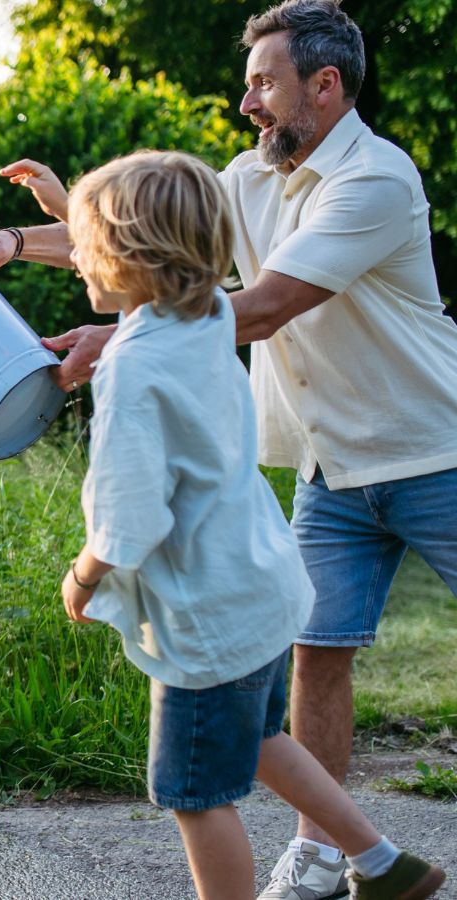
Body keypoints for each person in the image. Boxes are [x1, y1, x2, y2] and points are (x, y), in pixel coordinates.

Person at [0, 3, 457, 896]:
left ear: (326, 85)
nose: (246, 102)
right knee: (317, 655)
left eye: (264, 82)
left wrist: (119, 341)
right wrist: (18, 241)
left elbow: (258, 304)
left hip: (430, 451)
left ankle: (364, 858)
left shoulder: (374, 180)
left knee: (201, 781)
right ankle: (332, 852)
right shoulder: (249, 180)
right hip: (325, 465)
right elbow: (151, 238)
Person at [58, 149, 443, 900]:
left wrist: (84, 575)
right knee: (265, 740)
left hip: (205, 623)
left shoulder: (131, 365)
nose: (75, 257)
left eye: (83, 243)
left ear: (127, 256)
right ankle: (381, 862)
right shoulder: (203, 318)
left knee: (195, 794)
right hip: (263, 594)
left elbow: (127, 520)